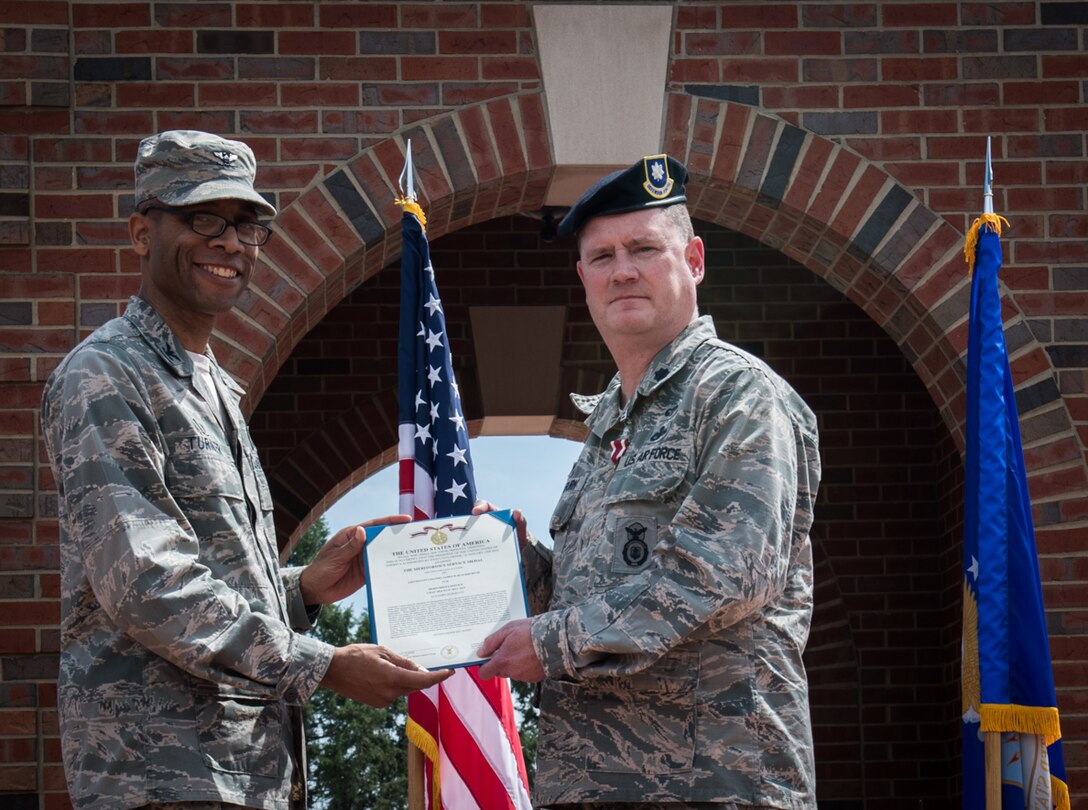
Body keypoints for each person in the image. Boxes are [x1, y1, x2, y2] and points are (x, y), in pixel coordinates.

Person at [40, 130, 451, 810]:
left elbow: (208, 581)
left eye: (247, 224)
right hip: (163, 777)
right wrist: (321, 666)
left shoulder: (216, 390)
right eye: (203, 217)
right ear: (143, 232)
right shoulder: (106, 376)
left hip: (245, 773)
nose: (230, 242)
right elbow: (145, 582)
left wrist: (304, 593)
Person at [477, 155, 821, 808]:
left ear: (692, 259)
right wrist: (514, 565)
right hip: (593, 783)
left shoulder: (736, 396)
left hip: (713, 781)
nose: (623, 270)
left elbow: (721, 577)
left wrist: (550, 642)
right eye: (602, 257)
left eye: (643, 249)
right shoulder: (609, 422)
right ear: (583, 277)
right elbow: (607, 587)